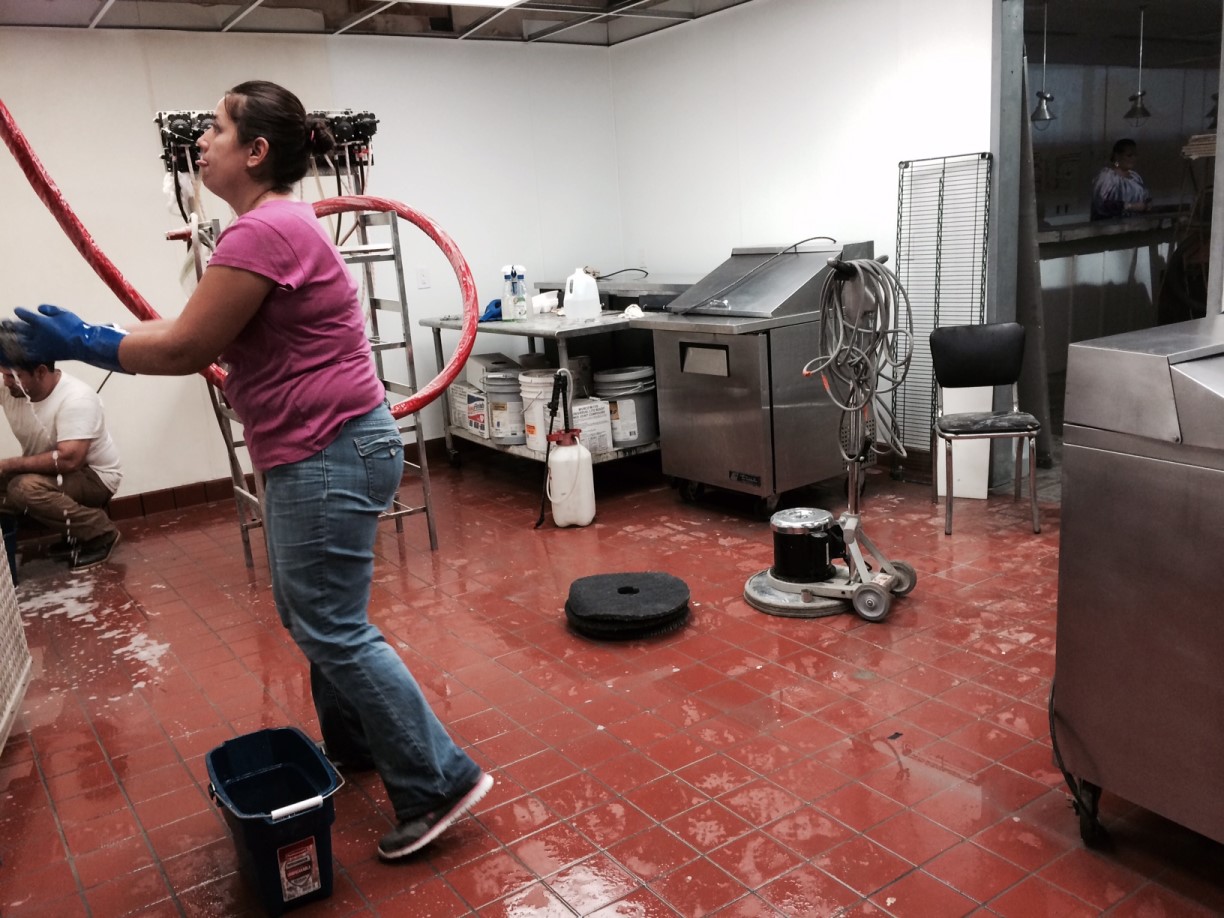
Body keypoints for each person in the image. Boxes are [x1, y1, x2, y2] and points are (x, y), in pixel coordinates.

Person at [8, 80, 490, 860]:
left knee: (328, 623)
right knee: (321, 616)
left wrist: (85, 343)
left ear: (257, 151)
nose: (201, 141)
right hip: (340, 444)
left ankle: (438, 781)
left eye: (217, 128)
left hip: (326, 451)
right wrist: (93, 333)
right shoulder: (270, 228)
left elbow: (186, 348)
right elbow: (191, 327)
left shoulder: (264, 232)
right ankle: (361, 746)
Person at [0, 360, 122, 571]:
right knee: (14, 487)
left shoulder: (77, 398)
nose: (5, 381)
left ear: (40, 372)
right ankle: (74, 533)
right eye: (3, 374)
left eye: (12, 376)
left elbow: (69, 460)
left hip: (94, 477)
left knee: (23, 489)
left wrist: (8, 465)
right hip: (52, 473)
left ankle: (100, 533)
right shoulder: (12, 388)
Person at [1090, 138, 1152, 220]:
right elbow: (1100, 204)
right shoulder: (1107, 176)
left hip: (1136, 224)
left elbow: (1146, 198)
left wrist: (1147, 205)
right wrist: (1130, 206)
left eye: (1135, 155)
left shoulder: (1136, 177)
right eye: (1129, 155)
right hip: (1110, 225)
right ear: (1117, 156)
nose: (1133, 158)